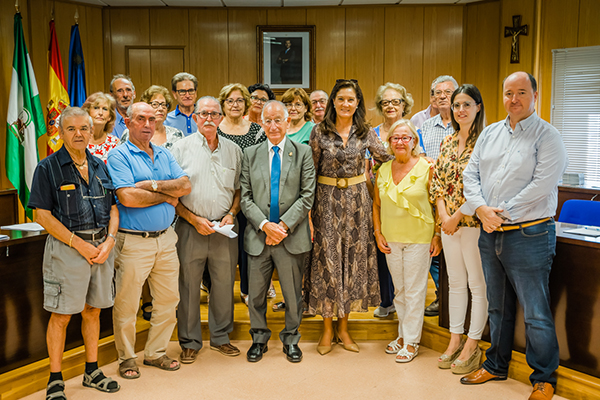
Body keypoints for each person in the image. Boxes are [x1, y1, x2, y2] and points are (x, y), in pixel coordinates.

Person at [460, 72, 568, 400]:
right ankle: (496, 365)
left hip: (529, 233)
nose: (514, 99)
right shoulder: (490, 133)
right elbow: (471, 175)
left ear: (535, 94)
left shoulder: (548, 136)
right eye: (509, 93)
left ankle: (544, 378)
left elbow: (542, 185)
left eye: (521, 92)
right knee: (498, 307)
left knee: (535, 311)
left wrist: (498, 212)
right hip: (489, 232)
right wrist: (480, 209)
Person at [28, 107, 120, 399]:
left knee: (93, 311)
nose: (79, 134)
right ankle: (55, 378)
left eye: (84, 128)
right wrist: (79, 244)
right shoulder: (48, 167)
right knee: (62, 315)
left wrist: (109, 242)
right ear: (61, 131)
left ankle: (92, 371)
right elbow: (41, 215)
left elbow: (114, 207)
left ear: (92, 132)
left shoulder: (100, 166)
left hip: (101, 249)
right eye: (71, 129)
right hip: (68, 249)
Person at [305, 79, 392, 355]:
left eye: (351, 99)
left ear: (357, 103)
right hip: (326, 202)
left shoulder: (365, 132)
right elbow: (310, 170)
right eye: (340, 99)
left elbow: (386, 159)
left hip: (357, 205)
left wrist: (416, 160)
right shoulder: (319, 132)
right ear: (333, 102)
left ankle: (345, 327)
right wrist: (308, 212)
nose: (345, 104)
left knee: (352, 263)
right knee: (328, 263)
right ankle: (327, 328)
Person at [107, 102, 191, 380]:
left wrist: (152, 186)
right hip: (133, 242)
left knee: (169, 300)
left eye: (151, 120)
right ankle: (127, 357)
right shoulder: (118, 156)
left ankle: (155, 353)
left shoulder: (165, 154)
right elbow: (128, 197)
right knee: (127, 304)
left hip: (166, 239)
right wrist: (168, 196)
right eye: (140, 119)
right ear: (128, 123)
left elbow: (185, 185)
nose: (147, 124)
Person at [241, 100, 316, 363]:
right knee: (256, 295)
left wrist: (282, 226)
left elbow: (307, 196)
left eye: (277, 120)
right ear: (261, 123)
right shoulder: (249, 153)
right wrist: (265, 226)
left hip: (291, 236)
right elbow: (245, 198)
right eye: (268, 120)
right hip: (259, 236)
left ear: (288, 122)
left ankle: (291, 339)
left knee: (293, 294)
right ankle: (259, 338)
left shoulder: (303, 152)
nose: (273, 125)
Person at [171, 96, 243, 363]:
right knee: (188, 286)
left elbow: (237, 190)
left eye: (214, 114)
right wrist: (193, 220)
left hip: (223, 229)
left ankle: (221, 337)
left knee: (224, 285)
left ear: (221, 118)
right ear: (195, 118)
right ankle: (189, 341)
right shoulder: (179, 149)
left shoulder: (233, 150)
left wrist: (231, 213)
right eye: (204, 114)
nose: (209, 118)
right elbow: (173, 195)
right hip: (190, 227)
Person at [373, 119, 441, 363]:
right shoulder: (382, 169)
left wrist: (437, 234)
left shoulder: (427, 167)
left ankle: (412, 340)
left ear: (414, 141)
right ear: (389, 142)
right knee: (400, 290)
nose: (400, 142)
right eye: (395, 138)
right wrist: (378, 232)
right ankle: (403, 334)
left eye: (405, 137)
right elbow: (377, 204)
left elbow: (437, 204)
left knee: (414, 290)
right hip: (391, 238)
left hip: (419, 238)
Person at [431, 84, 488, 374]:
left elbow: (485, 186)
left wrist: (457, 216)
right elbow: (437, 183)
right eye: (456, 105)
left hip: (474, 223)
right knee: (454, 283)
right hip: (449, 225)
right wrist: (443, 216)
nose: (460, 110)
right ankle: (454, 339)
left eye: (467, 104)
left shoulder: (486, 142)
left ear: (478, 107)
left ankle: (472, 344)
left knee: (477, 285)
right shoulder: (447, 142)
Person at [217, 83, 267, 305]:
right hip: (222, 196)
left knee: (250, 245)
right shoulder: (215, 129)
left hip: (251, 197)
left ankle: (248, 290)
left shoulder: (257, 131)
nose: (234, 105)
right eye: (230, 100)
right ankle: (219, 292)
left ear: (246, 104)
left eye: (239, 100)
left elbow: (264, 165)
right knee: (222, 248)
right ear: (223, 104)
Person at [370, 83, 415, 318]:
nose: (390, 106)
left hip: (407, 203)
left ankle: (407, 304)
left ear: (404, 105)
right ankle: (387, 300)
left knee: (407, 256)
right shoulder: (372, 133)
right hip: (378, 199)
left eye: (395, 101)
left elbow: (420, 160)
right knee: (383, 250)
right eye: (385, 102)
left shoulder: (412, 130)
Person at [420, 74, 459, 317]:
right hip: (430, 197)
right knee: (434, 250)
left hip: (459, 201)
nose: (442, 96)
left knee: (456, 250)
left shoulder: (467, 124)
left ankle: (456, 296)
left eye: (448, 92)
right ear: (432, 98)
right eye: (437, 93)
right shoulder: (424, 127)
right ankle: (440, 296)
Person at [120, 85, 184, 151]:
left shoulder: (177, 134)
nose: (160, 108)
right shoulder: (131, 132)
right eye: (155, 104)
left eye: (164, 104)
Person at [82, 92, 119, 163]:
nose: (100, 113)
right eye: (96, 108)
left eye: (105, 109)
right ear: (87, 112)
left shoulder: (115, 143)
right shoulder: (79, 140)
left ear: (110, 117)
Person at [109, 74, 136, 139]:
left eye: (128, 90)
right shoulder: (107, 121)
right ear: (111, 96)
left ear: (134, 94)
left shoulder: (144, 119)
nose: (125, 95)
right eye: (119, 91)